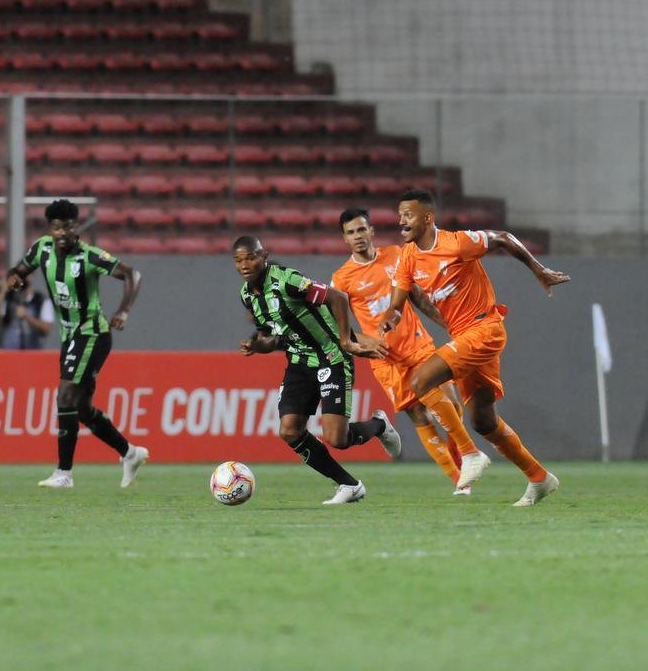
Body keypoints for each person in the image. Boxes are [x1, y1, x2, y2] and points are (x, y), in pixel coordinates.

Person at [379, 190, 571, 506]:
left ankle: (468, 454)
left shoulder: (457, 243)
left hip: (485, 328)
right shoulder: (408, 257)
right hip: (463, 336)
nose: (401, 220)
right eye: (400, 214)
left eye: (408, 214)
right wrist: (391, 315)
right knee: (483, 421)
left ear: (427, 217)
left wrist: (539, 269)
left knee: (421, 381)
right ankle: (539, 478)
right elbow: (400, 301)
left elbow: (503, 237)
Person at [233, 235, 398, 505]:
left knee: (338, 439)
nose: (245, 264)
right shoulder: (247, 296)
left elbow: (338, 297)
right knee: (289, 431)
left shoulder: (288, 280)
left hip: (331, 356)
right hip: (299, 363)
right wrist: (259, 346)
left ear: (263, 256)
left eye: (250, 257)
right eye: (238, 260)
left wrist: (346, 341)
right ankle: (349, 485)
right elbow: (270, 334)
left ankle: (379, 425)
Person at [4, 199, 149, 489]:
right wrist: (14, 279)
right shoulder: (42, 249)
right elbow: (18, 270)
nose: (62, 233)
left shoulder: (89, 257)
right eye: (56, 227)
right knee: (80, 408)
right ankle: (130, 453)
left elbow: (132, 274)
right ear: (50, 229)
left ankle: (64, 473)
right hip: (69, 337)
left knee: (65, 397)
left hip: (92, 333)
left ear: (76, 227)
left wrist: (122, 310)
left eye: (68, 226)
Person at [331, 208, 468, 494]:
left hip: (418, 343)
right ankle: (459, 481)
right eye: (350, 232)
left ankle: (462, 455)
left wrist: (449, 323)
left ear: (371, 232)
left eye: (361, 230)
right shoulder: (341, 279)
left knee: (453, 403)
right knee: (420, 415)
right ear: (345, 239)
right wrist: (365, 342)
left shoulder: (397, 255)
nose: (357, 236)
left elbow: (418, 297)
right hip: (385, 358)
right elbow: (336, 325)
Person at [0, 281, 55, 350]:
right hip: (8, 353)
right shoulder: (8, 299)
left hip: (32, 353)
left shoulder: (41, 300)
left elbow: (47, 328)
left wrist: (28, 317)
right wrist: (2, 292)